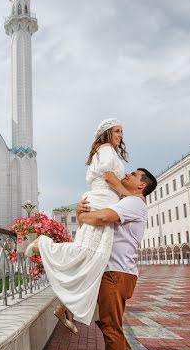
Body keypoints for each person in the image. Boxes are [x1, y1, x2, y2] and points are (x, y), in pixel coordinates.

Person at [25, 119, 135, 332]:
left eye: (122, 131)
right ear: (106, 133)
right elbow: (109, 176)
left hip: (105, 199)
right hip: (103, 199)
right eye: (117, 131)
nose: (121, 135)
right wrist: (128, 195)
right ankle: (44, 244)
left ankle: (66, 308)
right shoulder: (105, 149)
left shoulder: (107, 150)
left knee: (95, 259)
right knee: (87, 252)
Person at [76, 168, 156, 350]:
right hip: (111, 272)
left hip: (118, 273)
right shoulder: (126, 201)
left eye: (133, 174)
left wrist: (82, 216)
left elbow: (102, 218)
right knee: (104, 321)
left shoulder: (135, 203)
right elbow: (97, 226)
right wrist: (81, 212)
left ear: (141, 185)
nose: (128, 174)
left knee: (111, 327)